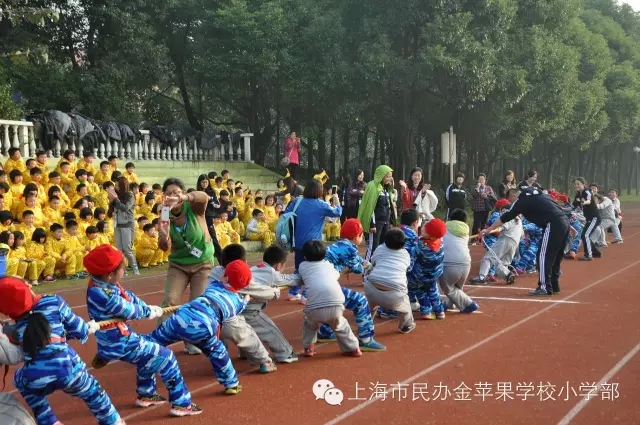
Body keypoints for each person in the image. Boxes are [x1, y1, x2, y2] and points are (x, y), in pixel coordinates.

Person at [85, 244, 201, 417]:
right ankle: (182, 404)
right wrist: (149, 312)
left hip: (119, 337)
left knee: (149, 352)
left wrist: (147, 307)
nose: (124, 271)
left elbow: (129, 297)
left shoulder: (103, 283)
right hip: (119, 341)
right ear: (110, 275)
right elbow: (128, 310)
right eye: (123, 269)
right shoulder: (103, 294)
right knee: (166, 357)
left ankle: (146, 394)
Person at [0, 276, 124, 425]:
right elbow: (79, 329)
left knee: (20, 380)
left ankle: (48, 420)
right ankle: (112, 421)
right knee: (93, 392)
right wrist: (88, 328)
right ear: (28, 286)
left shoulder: (15, 327)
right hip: (68, 370)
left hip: (37, 378)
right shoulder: (54, 301)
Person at [146, 261, 250, 396]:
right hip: (204, 328)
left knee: (154, 339)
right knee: (219, 353)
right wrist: (246, 299)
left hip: (181, 317)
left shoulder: (214, 285)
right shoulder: (238, 303)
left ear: (225, 278)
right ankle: (231, 384)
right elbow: (241, 305)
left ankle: (132, 345)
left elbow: (216, 283)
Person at [158, 177, 216, 355]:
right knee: (170, 302)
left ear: (182, 193)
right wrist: (164, 237)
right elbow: (164, 247)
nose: (172, 196)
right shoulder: (165, 212)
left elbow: (204, 197)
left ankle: (192, 340)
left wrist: (183, 198)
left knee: (197, 304)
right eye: (168, 193)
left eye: (176, 192)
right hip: (178, 264)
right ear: (163, 196)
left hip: (203, 263)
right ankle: (159, 342)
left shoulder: (193, 207)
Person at [482, 187, 573, 296]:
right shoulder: (542, 197)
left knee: (543, 256)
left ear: (516, 195)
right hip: (565, 222)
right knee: (556, 255)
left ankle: (544, 287)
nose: (511, 202)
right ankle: (554, 285)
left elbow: (505, 217)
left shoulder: (521, 201)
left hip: (552, 224)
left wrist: (488, 229)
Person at [317, 219, 386, 352]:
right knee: (361, 301)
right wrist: (366, 266)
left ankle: (325, 332)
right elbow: (357, 269)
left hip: (319, 285)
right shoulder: (350, 248)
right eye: (361, 235)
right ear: (356, 237)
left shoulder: (340, 245)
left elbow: (356, 259)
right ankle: (366, 339)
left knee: (337, 302)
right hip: (327, 287)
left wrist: (364, 262)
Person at [298, 240, 362, 358]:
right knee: (341, 325)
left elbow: (302, 277)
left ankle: (308, 347)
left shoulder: (302, 266)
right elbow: (336, 275)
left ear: (305, 256)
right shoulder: (329, 265)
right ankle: (354, 348)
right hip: (336, 304)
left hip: (314, 307)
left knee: (309, 325)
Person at [283, 179, 342, 303]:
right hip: (313, 244)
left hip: (298, 241)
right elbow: (338, 212)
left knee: (299, 268)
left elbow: (286, 214)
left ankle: (292, 292)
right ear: (319, 191)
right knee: (313, 270)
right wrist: (336, 198)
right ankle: (306, 295)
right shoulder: (321, 204)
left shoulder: (298, 201)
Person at [364, 227, 414, 333]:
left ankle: (365, 324)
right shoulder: (405, 254)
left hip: (371, 289)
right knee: (405, 308)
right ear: (403, 244)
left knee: (370, 306)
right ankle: (406, 325)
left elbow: (373, 262)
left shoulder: (380, 249)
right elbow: (409, 269)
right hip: (394, 295)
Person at [470, 201, 521, 285]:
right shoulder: (519, 221)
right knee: (501, 264)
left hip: (505, 240)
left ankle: (481, 277)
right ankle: (508, 275)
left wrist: (487, 230)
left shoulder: (509, 217)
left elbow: (500, 228)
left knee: (488, 258)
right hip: (515, 244)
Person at [439, 209, 479, 313]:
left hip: (449, 262)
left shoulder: (444, 226)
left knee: (448, 287)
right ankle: (449, 304)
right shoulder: (465, 230)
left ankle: (469, 304)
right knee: (457, 288)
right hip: (466, 263)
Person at [358, 164, 394, 260]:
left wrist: (391, 221)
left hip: (385, 222)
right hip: (376, 223)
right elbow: (370, 207)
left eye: (390, 177)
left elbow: (389, 206)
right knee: (373, 247)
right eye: (387, 176)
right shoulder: (372, 186)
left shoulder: (386, 189)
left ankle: (378, 266)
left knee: (383, 246)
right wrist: (372, 224)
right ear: (381, 175)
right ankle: (367, 267)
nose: (389, 179)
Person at [106, 176, 139, 275]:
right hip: (117, 224)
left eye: (118, 185)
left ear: (123, 185)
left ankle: (134, 267)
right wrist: (111, 200)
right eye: (115, 185)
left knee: (127, 249)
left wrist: (116, 199)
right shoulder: (116, 195)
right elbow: (110, 211)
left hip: (127, 225)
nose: (116, 187)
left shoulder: (130, 195)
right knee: (119, 250)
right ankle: (122, 269)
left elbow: (125, 208)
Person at [573, 178, 601, 261]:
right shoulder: (578, 195)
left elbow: (589, 200)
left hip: (594, 217)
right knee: (583, 235)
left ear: (583, 184)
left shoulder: (587, 191)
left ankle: (589, 255)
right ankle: (595, 253)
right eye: (575, 184)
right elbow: (574, 206)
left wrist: (583, 202)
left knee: (585, 235)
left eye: (578, 184)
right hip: (589, 218)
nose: (576, 185)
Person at [471, 173, 496, 238]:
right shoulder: (475, 188)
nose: (481, 180)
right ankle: (473, 238)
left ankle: (482, 238)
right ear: (477, 180)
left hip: (486, 209)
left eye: (483, 179)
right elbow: (473, 196)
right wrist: (477, 188)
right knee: (476, 224)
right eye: (480, 179)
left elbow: (492, 196)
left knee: (484, 224)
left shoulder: (488, 188)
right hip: (477, 209)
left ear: (485, 180)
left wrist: (485, 195)